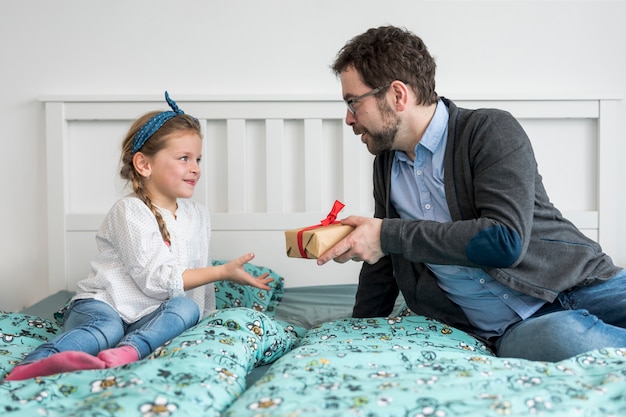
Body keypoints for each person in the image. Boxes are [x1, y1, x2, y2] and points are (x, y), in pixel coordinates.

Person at [317, 26, 626, 362]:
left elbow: (504, 240)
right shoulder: (387, 166)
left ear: (397, 95)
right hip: (514, 327)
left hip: (583, 284)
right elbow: (384, 261)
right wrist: (356, 333)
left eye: (353, 102)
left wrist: (387, 233)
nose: (348, 119)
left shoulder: (488, 130)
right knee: (563, 338)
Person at [5, 92, 273, 381]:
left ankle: (125, 352)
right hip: (105, 305)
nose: (195, 168)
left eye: (198, 158)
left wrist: (199, 317)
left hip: (150, 316)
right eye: (184, 158)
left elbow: (195, 292)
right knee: (106, 330)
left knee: (186, 308)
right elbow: (155, 280)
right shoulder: (130, 210)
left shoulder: (198, 214)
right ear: (144, 165)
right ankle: (34, 365)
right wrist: (221, 272)